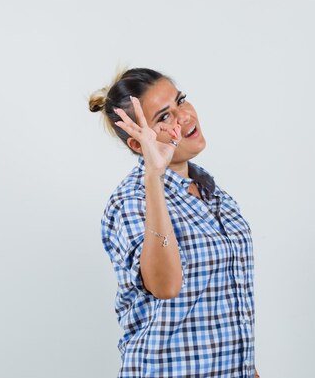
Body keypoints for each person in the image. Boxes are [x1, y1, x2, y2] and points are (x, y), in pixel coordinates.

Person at [89, 67, 259, 378]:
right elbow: (165, 287)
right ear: (139, 145)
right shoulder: (132, 201)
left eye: (180, 101)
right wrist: (154, 174)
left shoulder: (211, 192)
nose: (183, 116)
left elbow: (221, 303)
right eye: (163, 117)